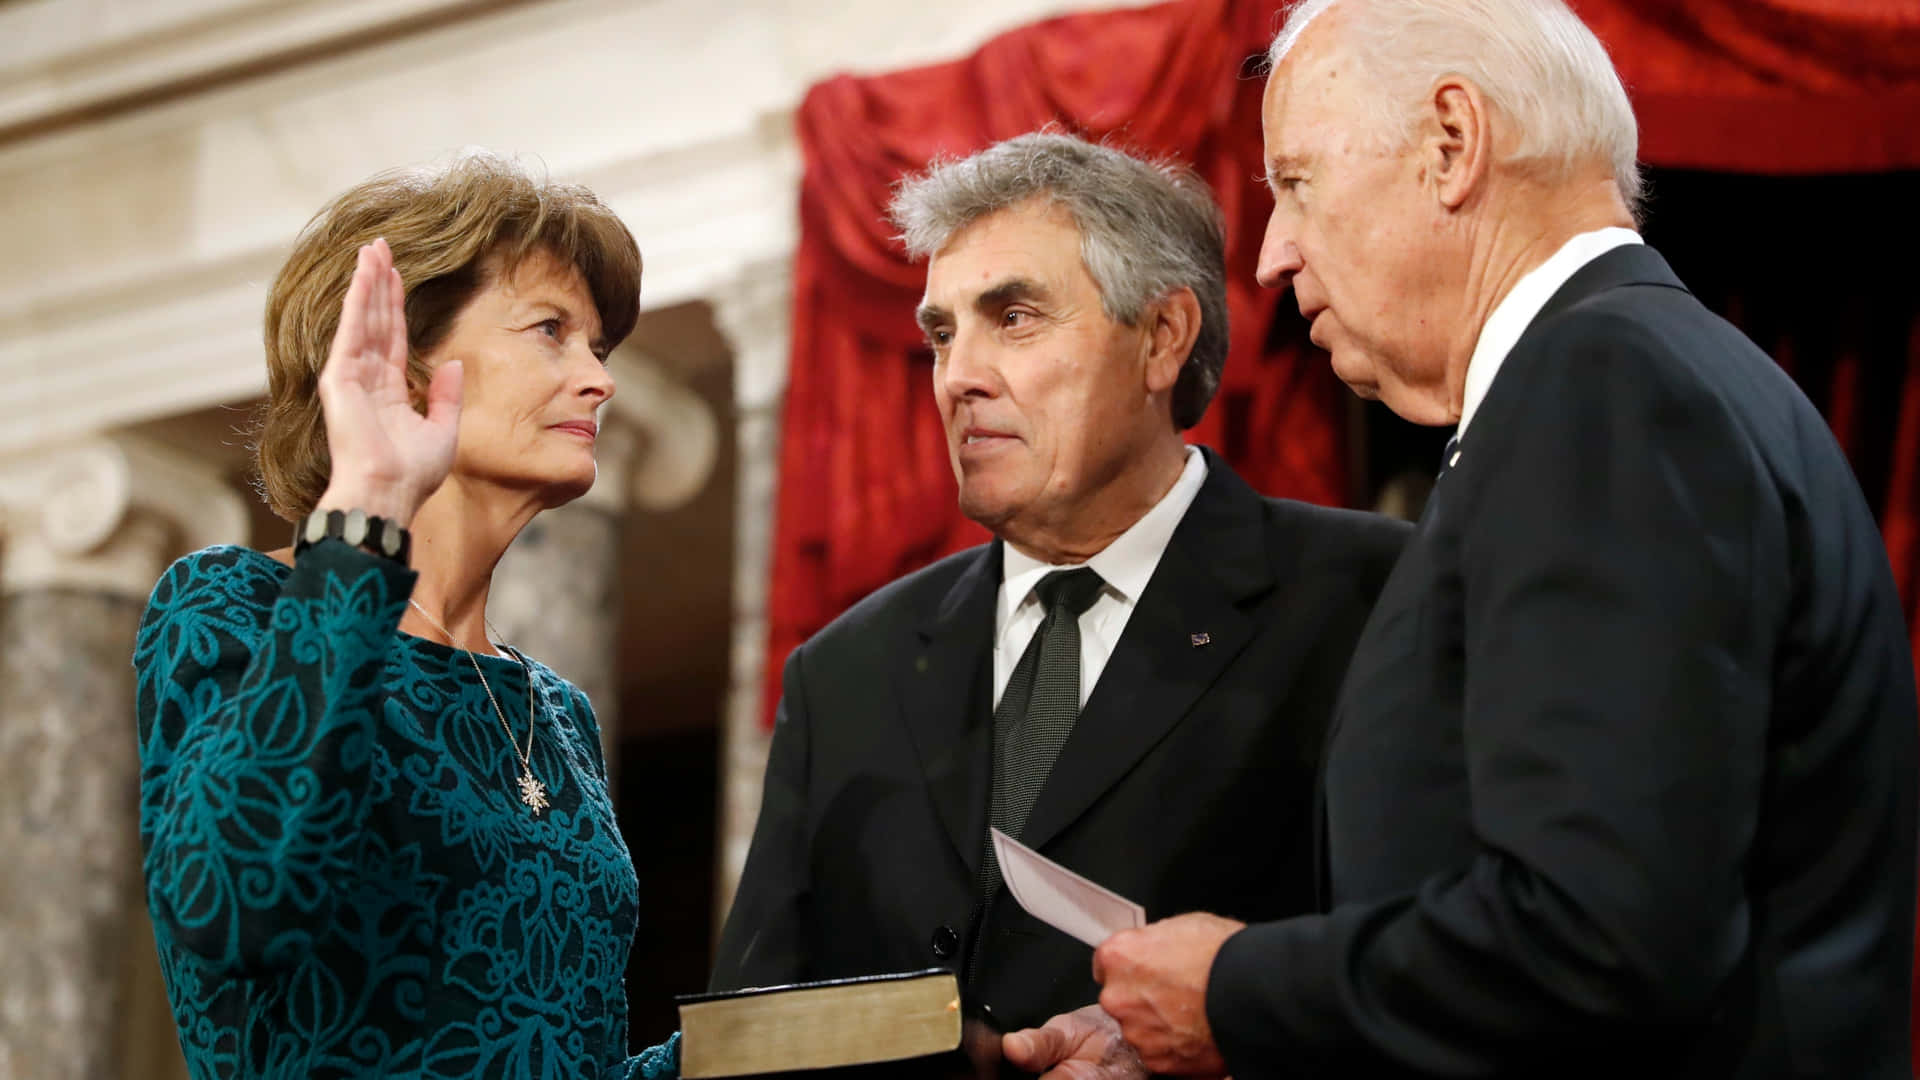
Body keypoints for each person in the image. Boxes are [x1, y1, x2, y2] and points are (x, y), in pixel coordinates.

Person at [1013, 1, 1919, 1077]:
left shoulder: (1601, 389)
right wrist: (1197, 1031)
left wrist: (1241, 995)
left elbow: (1598, 941)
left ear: (1452, 143)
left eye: (1295, 182)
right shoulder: (1649, 376)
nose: (1270, 254)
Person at [708, 131, 1409, 1054]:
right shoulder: (843, 673)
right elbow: (753, 1031)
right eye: (942, 333)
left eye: (1015, 317)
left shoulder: (1370, 596)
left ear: (1162, 338)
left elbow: (1444, 976)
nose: (958, 377)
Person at [132, 153, 682, 1079]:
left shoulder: (557, 715)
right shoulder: (236, 607)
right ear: (410, 362)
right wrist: (369, 509)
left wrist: (848, 1036)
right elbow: (233, 903)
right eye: (552, 330)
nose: (600, 380)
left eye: (599, 346)